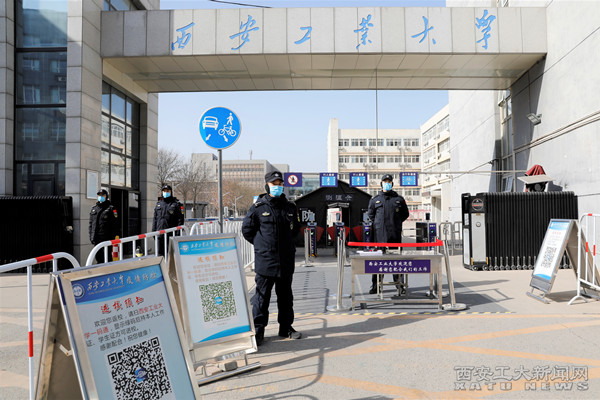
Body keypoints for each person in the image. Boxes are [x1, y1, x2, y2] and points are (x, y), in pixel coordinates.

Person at [242, 170, 301, 345]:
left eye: (280, 184)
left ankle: (286, 328)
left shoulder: (290, 207)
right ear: (267, 186)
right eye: (274, 184)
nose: (278, 187)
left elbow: (295, 230)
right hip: (265, 261)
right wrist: (262, 245)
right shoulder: (258, 208)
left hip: (285, 261)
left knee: (286, 297)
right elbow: (247, 230)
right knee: (262, 298)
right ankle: (259, 331)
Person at [367, 174, 410, 294]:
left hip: (394, 235)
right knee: (378, 262)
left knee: (397, 261)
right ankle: (376, 286)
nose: (387, 183)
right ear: (381, 184)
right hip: (380, 236)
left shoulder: (398, 199)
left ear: (392, 184)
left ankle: (399, 285)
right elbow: (371, 215)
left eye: (389, 182)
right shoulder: (375, 200)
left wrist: (396, 223)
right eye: (385, 182)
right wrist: (379, 225)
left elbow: (405, 214)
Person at [152, 184, 184, 256]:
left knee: (171, 255)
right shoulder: (159, 204)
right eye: (164, 191)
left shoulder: (176, 204)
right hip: (160, 234)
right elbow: (155, 218)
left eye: (167, 191)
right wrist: (153, 231)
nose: (165, 192)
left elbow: (180, 220)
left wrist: (177, 234)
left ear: (171, 192)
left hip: (171, 234)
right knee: (160, 255)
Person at [89, 189, 119, 264]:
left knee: (107, 257)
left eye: (103, 195)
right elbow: (91, 224)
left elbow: (115, 224)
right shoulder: (94, 209)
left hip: (106, 238)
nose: (101, 196)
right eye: (99, 195)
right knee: (98, 257)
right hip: (96, 238)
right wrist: (91, 236)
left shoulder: (111, 208)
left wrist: (113, 238)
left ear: (106, 196)